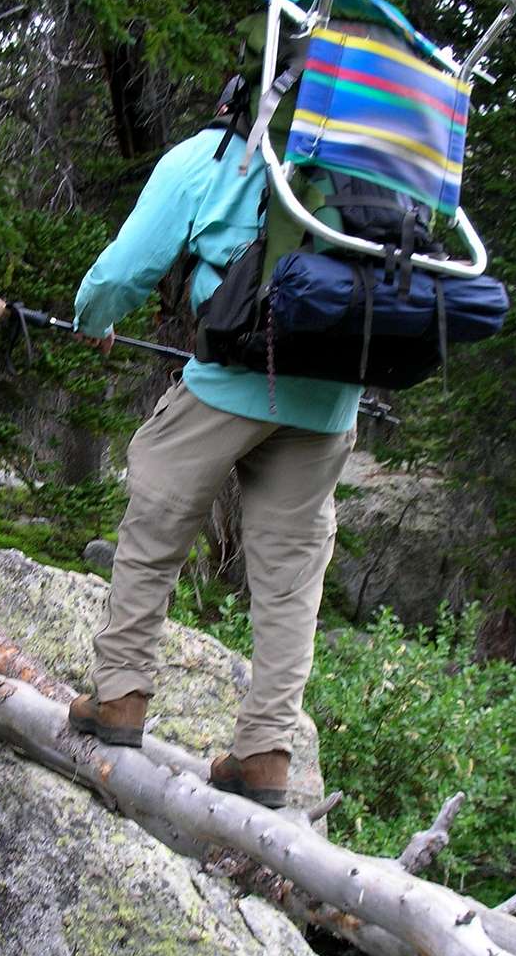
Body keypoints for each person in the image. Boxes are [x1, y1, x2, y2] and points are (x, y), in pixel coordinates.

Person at [67, 110, 359, 808]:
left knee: (156, 521)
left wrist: (91, 317)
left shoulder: (215, 154)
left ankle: (121, 697)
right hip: (331, 398)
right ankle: (264, 752)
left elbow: (128, 267)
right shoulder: (375, 167)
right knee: (292, 578)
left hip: (235, 371)